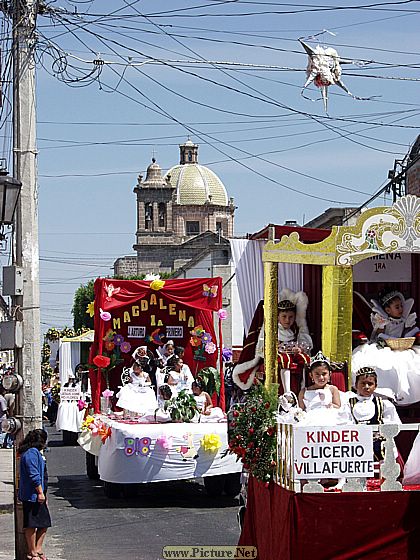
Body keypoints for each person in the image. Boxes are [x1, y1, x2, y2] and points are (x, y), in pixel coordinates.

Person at [233, 289, 313, 393]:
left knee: (304, 358)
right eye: (284, 317)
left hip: (292, 355)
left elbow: (304, 343)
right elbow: (263, 348)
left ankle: (302, 389)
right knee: (284, 359)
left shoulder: (295, 330)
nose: (287, 320)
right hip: (278, 357)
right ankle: (287, 391)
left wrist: (299, 348)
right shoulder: (272, 331)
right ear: (278, 317)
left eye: (291, 317)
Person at [352, 287, 420, 404]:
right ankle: (386, 392)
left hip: (401, 347)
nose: (400, 309)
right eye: (397, 307)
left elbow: (407, 333)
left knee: (410, 364)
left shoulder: (405, 320)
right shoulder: (384, 320)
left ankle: (404, 394)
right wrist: (381, 329)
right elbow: (378, 335)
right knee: (385, 364)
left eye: (401, 306)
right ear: (388, 310)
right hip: (385, 347)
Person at [346, 367, 400, 462]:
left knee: (385, 449)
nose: (366, 386)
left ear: (375, 386)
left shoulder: (383, 403)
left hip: (378, 441)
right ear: (356, 385)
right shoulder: (348, 404)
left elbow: (393, 423)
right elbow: (345, 422)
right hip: (357, 441)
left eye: (370, 384)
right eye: (363, 383)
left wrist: (381, 433)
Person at [18, 429, 51, 560]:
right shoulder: (31, 454)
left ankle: (37, 549)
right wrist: (40, 492)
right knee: (32, 524)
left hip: (38, 495)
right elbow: (34, 475)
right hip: (32, 496)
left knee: (43, 523)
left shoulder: (34, 453)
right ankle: (33, 551)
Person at [298, 351, 341, 423]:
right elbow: (301, 411)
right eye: (317, 374)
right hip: (310, 420)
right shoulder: (304, 392)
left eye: (324, 374)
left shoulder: (333, 389)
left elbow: (338, 407)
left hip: (329, 418)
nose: (321, 378)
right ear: (311, 375)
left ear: (330, 374)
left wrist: (328, 405)